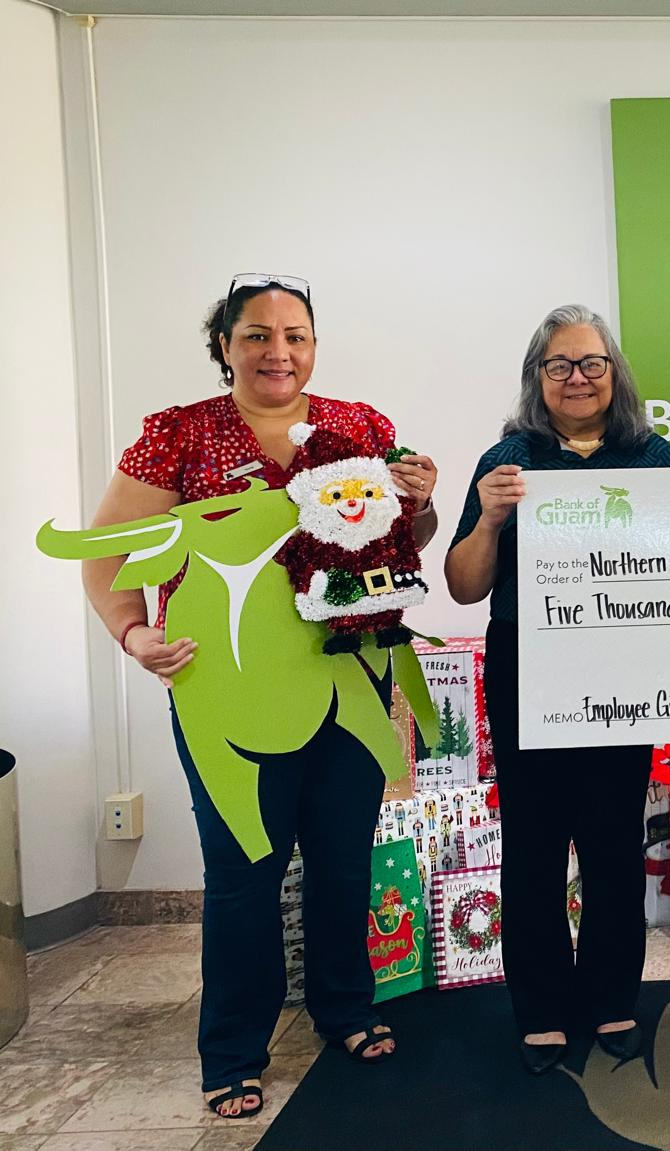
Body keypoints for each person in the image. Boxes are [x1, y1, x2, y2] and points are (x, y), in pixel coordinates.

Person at [81, 274, 440, 1118]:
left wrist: (419, 505)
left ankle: (344, 1009)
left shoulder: (361, 427)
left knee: (344, 858)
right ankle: (234, 1048)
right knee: (244, 870)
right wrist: (133, 633)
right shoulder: (178, 435)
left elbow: (403, 545)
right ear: (225, 345)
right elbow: (106, 551)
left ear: (314, 344)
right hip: (227, 691)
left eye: (295, 335)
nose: (279, 351)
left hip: (348, 679)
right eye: (257, 334)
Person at [444, 303, 670, 1076]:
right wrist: (488, 521)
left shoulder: (652, 457)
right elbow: (464, 584)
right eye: (560, 365)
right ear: (536, 376)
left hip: (620, 665)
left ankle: (612, 998)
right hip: (527, 663)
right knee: (534, 842)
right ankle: (540, 1007)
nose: (577, 377)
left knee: (613, 841)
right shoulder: (507, 459)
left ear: (615, 373)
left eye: (591, 363)